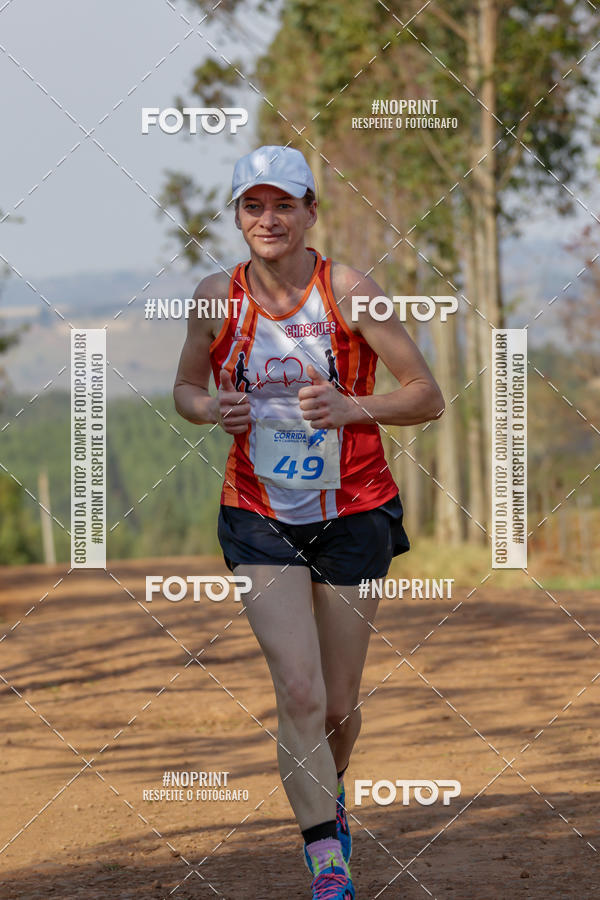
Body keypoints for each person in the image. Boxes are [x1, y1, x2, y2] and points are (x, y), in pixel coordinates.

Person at [173, 145, 444, 899]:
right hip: (257, 515)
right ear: (236, 216)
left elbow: (426, 395)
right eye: (253, 206)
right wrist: (209, 409)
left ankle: (332, 788)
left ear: (309, 211)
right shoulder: (213, 297)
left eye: (283, 205)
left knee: (335, 706)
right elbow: (185, 388)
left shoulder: (351, 291)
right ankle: (327, 857)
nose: (268, 219)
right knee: (297, 690)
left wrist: (355, 406)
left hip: (355, 510)